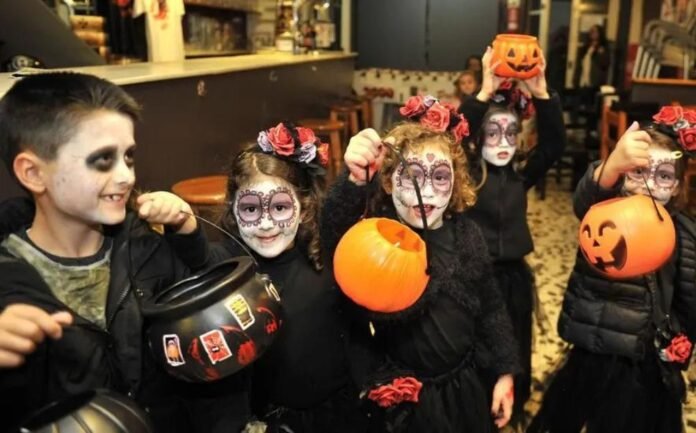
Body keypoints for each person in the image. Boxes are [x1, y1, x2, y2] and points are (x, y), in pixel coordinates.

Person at [0, 72, 247, 432]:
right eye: (103, 160)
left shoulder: (143, 246)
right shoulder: (7, 284)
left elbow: (217, 304)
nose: (127, 176)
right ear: (33, 173)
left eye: (128, 157)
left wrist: (186, 233)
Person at [321, 104, 521, 432]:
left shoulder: (467, 236)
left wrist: (504, 371)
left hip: (464, 384)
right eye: (412, 176)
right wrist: (354, 182)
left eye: (439, 177)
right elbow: (335, 237)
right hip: (407, 396)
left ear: (455, 182)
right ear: (388, 182)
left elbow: (491, 307)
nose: (425, 191)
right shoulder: (378, 237)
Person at [185, 123, 364, 433]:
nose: (266, 223)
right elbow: (196, 255)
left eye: (280, 207)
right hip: (271, 420)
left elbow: (344, 209)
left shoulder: (323, 250)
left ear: (304, 208)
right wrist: (181, 229)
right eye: (251, 209)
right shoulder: (228, 263)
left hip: (337, 411)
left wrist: (356, 176)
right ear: (234, 210)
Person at [528, 107, 696, 433]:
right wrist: (611, 166)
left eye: (663, 176)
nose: (648, 185)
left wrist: (680, 340)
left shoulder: (684, 234)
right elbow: (584, 199)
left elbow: (689, 299)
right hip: (596, 346)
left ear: (677, 187)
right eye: (638, 172)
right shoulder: (604, 208)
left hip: (645, 356)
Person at [457, 45, 567, 427]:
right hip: (475, 279)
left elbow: (554, 145)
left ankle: (506, 402)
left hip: (512, 279)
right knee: (477, 346)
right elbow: (452, 138)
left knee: (512, 344)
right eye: (493, 134)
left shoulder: (521, 175)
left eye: (510, 134)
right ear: (478, 138)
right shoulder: (467, 175)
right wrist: (484, 92)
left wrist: (542, 94)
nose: (503, 143)